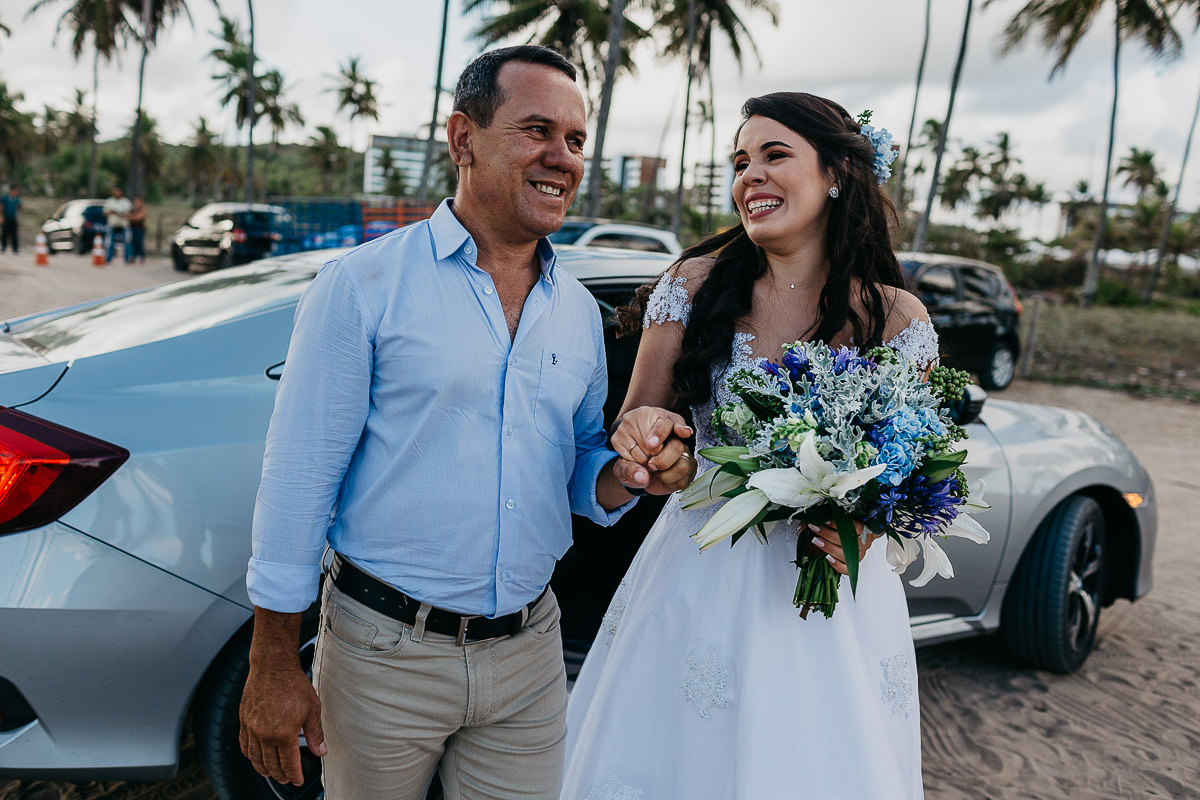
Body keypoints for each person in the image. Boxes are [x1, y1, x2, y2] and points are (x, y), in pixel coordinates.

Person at [239, 45, 694, 800]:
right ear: (462, 140)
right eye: (535, 130)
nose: (562, 157)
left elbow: (578, 465)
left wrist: (627, 475)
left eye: (577, 140)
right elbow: (296, 483)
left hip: (529, 656)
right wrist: (271, 663)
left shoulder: (579, 313)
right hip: (383, 652)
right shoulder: (363, 287)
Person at [561, 93, 938, 799]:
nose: (749, 177)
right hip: (703, 569)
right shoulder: (691, 286)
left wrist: (859, 520)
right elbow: (639, 422)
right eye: (739, 162)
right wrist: (650, 444)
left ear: (835, 175)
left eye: (774, 155)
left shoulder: (896, 319)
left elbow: (902, 474)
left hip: (834, 602)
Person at [104, 186, 131, 263]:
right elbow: (105, 212)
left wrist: (116, 212)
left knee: (126, 242)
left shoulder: (125, 202)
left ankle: (127, 259)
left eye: (118, 191)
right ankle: (108, 258)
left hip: (124, 225)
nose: (116, 193)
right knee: (110, 242)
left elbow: (128, 214)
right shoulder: (110, 201)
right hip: (112, 225)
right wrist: (114, 212)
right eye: (115, 191)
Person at [125, 194, 147, 263]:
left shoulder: (143, 209)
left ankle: (141, 257)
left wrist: (131, 217)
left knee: (139, 243)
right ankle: (133, 257)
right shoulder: (133, 209)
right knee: (132, 243)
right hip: (132, 228)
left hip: (139, 229)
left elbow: (138, 218)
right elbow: (126, 216)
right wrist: (132, 217)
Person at [1, 184, 21, 254]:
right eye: (16, 190)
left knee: (14, 234)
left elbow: (19, 208)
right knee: (5, 233)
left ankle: (15, 249)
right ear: (12, 190)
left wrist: (18, 217)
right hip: (6, 218)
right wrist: (1, 217)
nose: (16, 192)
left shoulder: (17, 199)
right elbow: (1, 207)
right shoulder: (5, 198)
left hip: (13, 218)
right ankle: (3, 247)